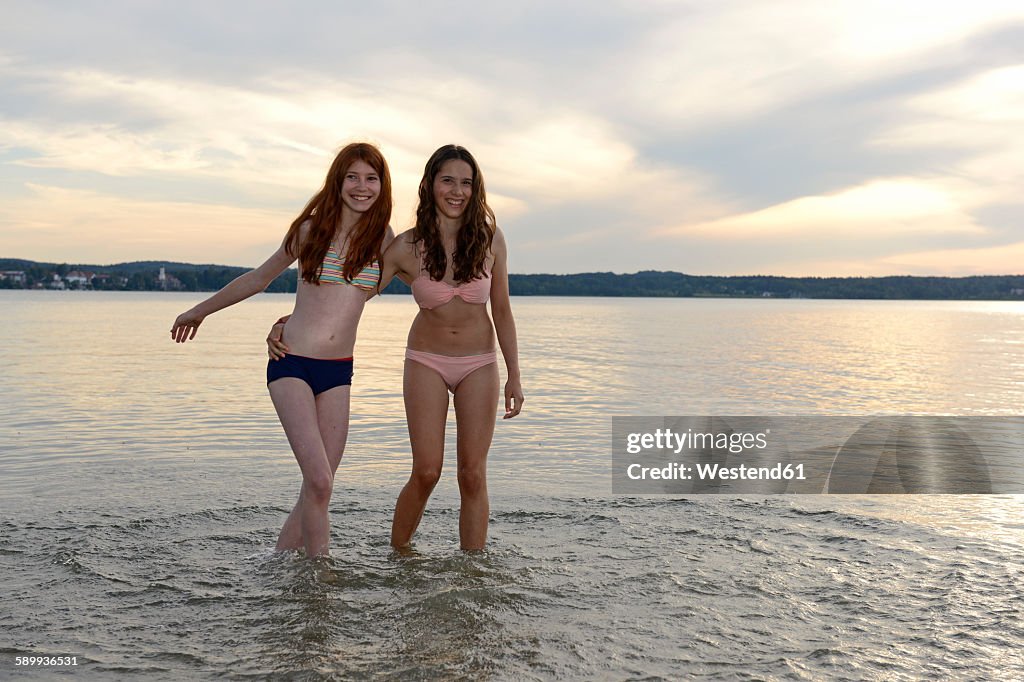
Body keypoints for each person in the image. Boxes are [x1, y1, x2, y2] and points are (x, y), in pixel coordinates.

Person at [268, 144, 524, 551]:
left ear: (475, 191)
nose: (457, 191)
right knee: (426, 471)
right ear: (429, 185)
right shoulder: (404, 247)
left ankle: (474, 576)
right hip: (426, 360)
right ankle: (398, 557)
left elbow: (504, 311)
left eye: (466, 183)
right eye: (448, 181)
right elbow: (349, 294)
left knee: (472, 474)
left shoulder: (491, 239)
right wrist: (290, 325)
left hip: (479, 362)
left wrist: (514, 375)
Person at [170, 142, 394, 558]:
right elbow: (258, 278)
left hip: (338, 372)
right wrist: (199, 312)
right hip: (290, 364)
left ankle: (279, 564)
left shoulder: (382, 240)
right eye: (352, 177)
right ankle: (320, 581)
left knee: (318, 484)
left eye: (371, 178)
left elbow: (360, 297)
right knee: (321, 481)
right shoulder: (310, 230)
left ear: (382, 185)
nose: (361, 187)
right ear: (337, 181)